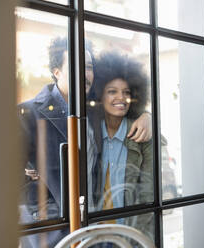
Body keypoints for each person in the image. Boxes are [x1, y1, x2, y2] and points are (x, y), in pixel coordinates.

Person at [17, 37, 152, 247]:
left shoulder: (95, 111)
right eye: (76, 66)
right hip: (54, 234)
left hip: (95, 229)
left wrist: (146, 116)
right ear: (57, 71)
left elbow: (123, 106)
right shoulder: (27, 113)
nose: (85, 73)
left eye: (88, 67)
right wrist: (52, 216)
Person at [91, 51, 154, 243]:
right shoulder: (89, 132)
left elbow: (148, 195)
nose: (121, 98)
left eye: (126, 92)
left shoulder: (144, 135)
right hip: (92, 236)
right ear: (99, 95)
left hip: (129, 236)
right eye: (112, 91)